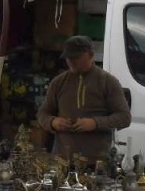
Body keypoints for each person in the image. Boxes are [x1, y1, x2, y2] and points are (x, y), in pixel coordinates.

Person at [36, 35, 132, 163]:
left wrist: (95, 123)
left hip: (97, 161)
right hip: (62, 160)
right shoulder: (58, 82)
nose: (71, 61)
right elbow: (42, 114)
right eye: (68, 57)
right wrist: (53, 122)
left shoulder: (108, 82)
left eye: (76, 57)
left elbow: (124, 117)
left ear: (91, 55)